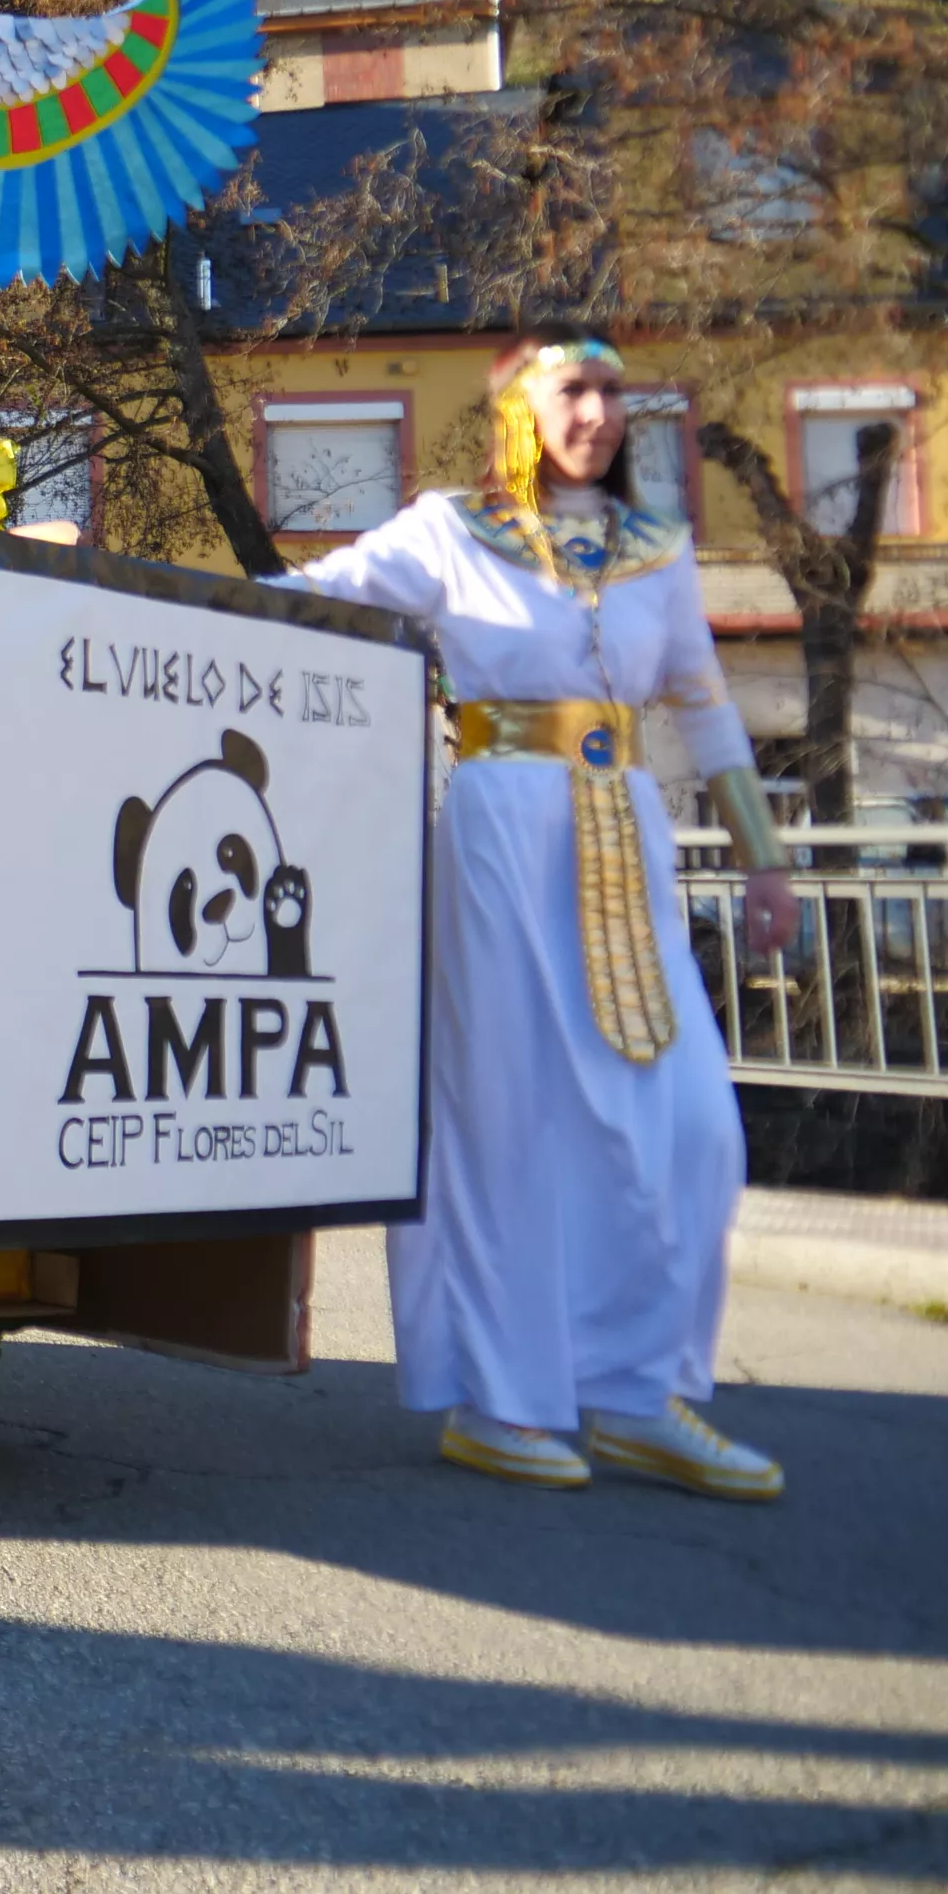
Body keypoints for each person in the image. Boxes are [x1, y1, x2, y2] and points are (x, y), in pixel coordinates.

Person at [288, 330, 801, 1501]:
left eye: (615, 392)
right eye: (577, 388)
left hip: (624, 832)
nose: (603, 411)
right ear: (523, 407)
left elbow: (709, 714)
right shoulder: (447, 533)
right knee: (509, 1119)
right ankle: (502, 1401)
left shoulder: (656, 553)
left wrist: (764, 862)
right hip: (498, 827)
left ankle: (630, 1394)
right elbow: (311, 600)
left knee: (687, 1128)